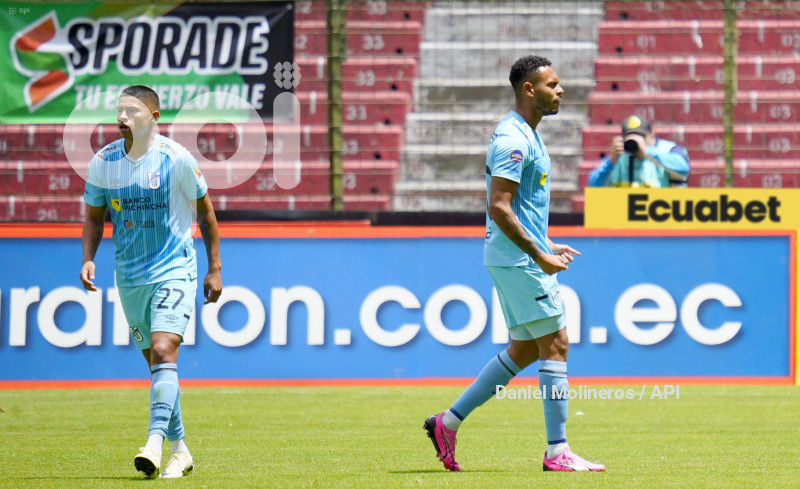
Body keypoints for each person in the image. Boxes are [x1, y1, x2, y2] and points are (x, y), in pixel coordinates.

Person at [423, 56, 605, 472]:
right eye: (553, 84)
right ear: (529, 89)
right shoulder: (514, 140)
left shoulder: (527, 134)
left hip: (514, 255)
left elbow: (515, 207)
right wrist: (539, 254)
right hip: (519, 259)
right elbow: (499, 207)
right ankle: (558, 452)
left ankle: (446, 423)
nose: (560, 91)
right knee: (556, 342)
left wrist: (544, 242)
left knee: (524, 349)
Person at [79, 85, 222, 479]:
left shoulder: (176, 159)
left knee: (163, 349)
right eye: (119, 109)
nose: (122, 117)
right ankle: (181, 451)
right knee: (160, 366)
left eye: (132, 111)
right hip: (130, 277)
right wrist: (88, 259)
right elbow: (94, 217)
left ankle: (153, 444)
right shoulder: (104, 162)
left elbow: (206, 215)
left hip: (175, 268)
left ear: (154, 118)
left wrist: (215, 268)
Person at [588, 115, 690, 187]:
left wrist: (647, 152)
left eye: (642, 137)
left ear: (652, 134)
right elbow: (593, 185)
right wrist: (611, 161)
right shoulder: (619, 155)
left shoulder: (668, 150)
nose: (636, 143)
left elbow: (684, 169)